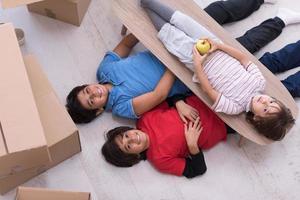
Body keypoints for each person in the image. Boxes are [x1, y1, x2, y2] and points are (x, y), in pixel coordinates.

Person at [66, 0, 294, 125]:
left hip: (172, 46)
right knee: (246, 43)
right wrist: (173, 60)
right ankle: (280, 19)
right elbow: (159, 95)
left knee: (214, 13)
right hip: (184, 65)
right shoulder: (121, 108)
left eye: (87, 91)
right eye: (91, 101)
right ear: (97, 111)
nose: (93, 93)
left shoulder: (104, 70)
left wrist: (141, 27)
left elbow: (124, 47)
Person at [141, 0, 296, 141]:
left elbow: (208, 90)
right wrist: (219, 45)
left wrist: (197, 64)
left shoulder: (235, 108)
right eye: (272, 101)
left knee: (169, 34)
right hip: (213, 44)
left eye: (265, 108)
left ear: (256, 119)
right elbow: (244, 59)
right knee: (182, 20)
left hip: (194, 59)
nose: (265, 101)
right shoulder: (259, 83)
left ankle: (144, 6)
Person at [102, 94, 234, 178]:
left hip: (206, 96)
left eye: (125, 136)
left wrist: (179, 103)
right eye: (128, 146)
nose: (131, 138)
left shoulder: (144, 119)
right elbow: (197, 170)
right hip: (225, 123)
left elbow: (169, 97)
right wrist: (192, 145)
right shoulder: (160, 160)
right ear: (134, 156)